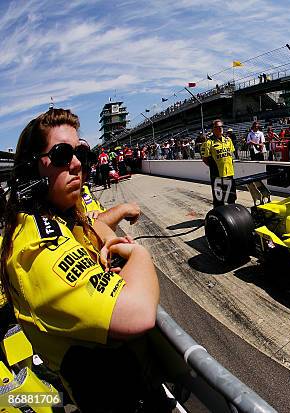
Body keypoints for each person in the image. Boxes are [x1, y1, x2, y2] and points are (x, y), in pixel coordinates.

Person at [0, 108, 166, 411]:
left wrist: (109, 242)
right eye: (62, 154)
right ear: (30, 170)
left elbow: (94, 227)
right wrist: (138, 253)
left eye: (80, 153)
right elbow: (139, 314)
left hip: (134, 384)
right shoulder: (38, 251)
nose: (77, 164)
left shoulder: (59, 217)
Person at [201, 119, 236, 207]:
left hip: (230, 173)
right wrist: (214, 167)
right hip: (217, 175)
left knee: (231, 197)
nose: (220, 129)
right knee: (218, 199)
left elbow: (231, 155)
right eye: (217, 127)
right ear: (213, 129)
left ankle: (232, 215)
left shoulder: (228, 140)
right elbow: (205, 159)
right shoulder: (209, 142)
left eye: (221, 127)